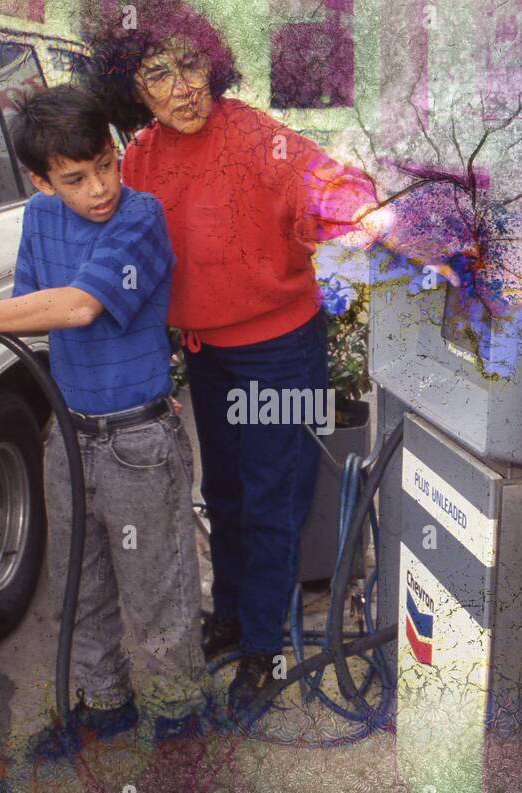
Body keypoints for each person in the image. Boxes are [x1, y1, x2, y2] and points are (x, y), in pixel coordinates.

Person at [81, 0, 388, 714]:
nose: (183, 87)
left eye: (192, 64)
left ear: (214, 63)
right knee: (222, 496)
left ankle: (264, 648)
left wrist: (365, 210)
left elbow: (331, 189)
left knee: (271, 504)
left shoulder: (255, 137)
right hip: (208, 357)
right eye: (158, 73)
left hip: (281, 353)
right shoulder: (144, 156)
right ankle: (231, 618)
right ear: (134, 86)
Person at [0, 84, 209, 742]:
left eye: (106, 163)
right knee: (81, 584)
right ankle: (106, 707)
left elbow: (76, 306)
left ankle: (180, 727)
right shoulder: (40, 220)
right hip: (69, 437)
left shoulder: (142, 216)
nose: (100, 187)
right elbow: (34, 313)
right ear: (41, 181)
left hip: (139, 444)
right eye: (76, 178)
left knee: (158, 595)